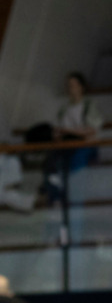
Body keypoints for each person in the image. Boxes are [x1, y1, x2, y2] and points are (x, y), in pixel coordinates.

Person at [41, 72, 103, 205]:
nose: (71, 88)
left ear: (82, 87)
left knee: (75, 163)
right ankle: (55, 197)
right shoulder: (64, 108)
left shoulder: (89, 105)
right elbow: (59, 128)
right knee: (50, 162)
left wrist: (69, 131)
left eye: (74, 85)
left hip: (85, 145)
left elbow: (91, 130)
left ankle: (74, 197)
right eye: (69, 85)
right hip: (67, 144)